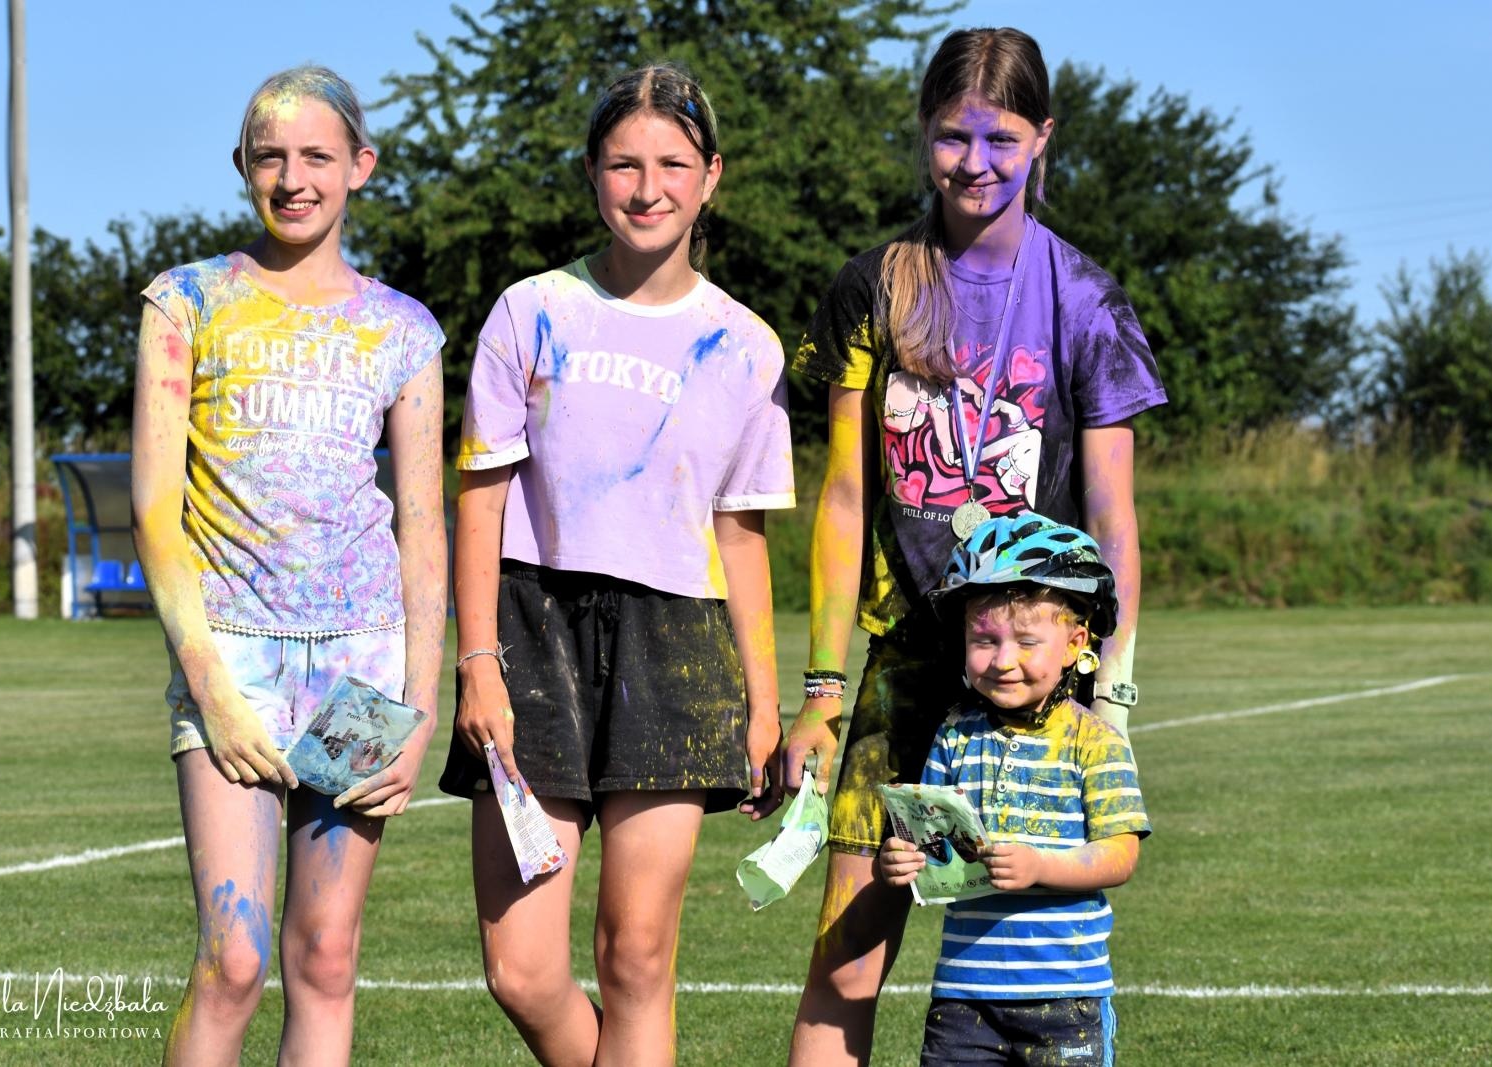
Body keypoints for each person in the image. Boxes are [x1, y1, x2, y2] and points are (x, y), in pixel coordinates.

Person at [782, 26, 1168, 1065]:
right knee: (847, 956)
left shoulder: (1085, 299)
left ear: (1042, 137)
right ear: (924, 136)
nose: (976, 162)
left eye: (1001, 137)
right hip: (907, 666)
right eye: (954, 136)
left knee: (1018, 957)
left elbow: (1114, 515)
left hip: (1032, 666)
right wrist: (822, 689)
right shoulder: (873, 288)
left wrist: (1108, 693)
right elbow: (843, 494)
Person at [438, 63, 794, 1065]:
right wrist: (477, 660)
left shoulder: (746, 346)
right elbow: (480, 495)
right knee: (522, 968)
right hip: (531, 632)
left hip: (677, 645)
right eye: (623, 164)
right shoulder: (528, 311)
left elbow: (741, 535)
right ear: (592, 175)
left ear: (711, 174)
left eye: (672, 163)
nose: (648, 187)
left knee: (636, 955)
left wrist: (763, 700)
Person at [130, 66, 447, 1065]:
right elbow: (152, 510)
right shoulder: (186, 302)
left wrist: (419, 702)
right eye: (270, 156)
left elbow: (425, 523)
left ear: (360, 166)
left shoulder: (403, 327)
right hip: (232, 660)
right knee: (232, 960)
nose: (293, 176)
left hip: (359, 674)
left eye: (316, 155)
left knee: (325, 957)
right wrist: (212, 691)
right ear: (242, 168)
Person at [879, 512, 1150, 1065]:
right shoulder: (954, 734)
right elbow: (935, 845)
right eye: (984, 640)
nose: (1003, 661)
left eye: (1028, 641)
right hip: (963, 1000)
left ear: (1076, 643)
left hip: (1065, 998)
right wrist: (902, 861)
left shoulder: (1094, 741)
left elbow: (1121, 854)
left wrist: (1039, 868)